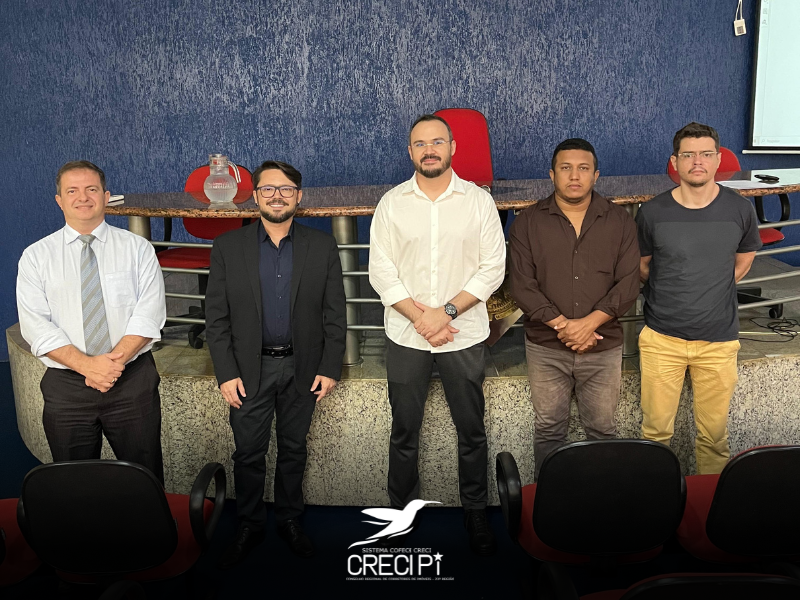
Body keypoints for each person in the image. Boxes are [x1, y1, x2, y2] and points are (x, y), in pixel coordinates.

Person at [368, 114, 506, 556]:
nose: (429, 150)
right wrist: (421, 319)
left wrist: (444, 313)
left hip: (462, 334)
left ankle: (475, 511)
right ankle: (400, 513)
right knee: (404, 430)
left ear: (452, 148)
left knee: (472, 430)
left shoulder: (478, 202)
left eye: (437, 142)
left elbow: (493, 268)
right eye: (420, 143)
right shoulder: (391, 203)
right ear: (410, 151)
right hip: (406, 335)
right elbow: (381, 271)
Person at [205, 160, 346, 568]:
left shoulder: (322, 246)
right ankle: (250, 523)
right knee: (248, 453)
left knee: (293, 449)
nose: (277, 196)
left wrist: (330, 366)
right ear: (255, 196)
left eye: (286, 189)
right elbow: (216, 318)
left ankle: (289, 519)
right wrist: (226, 372)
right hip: (249, 371)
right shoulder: (228, 248)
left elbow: (335, 314)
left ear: (298, 196)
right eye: (268, 189)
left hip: (304, 368)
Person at [17, 160, 166, 482]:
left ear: (106, 196)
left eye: (91, 189)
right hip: (67, 385)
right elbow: (35, 325)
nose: (83, 197)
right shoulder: (36, 257)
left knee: (144, 476)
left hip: (130, 380)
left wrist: (111, 365)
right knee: (74, 482)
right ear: (59, 200)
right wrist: (87, 366)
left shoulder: (138, 249)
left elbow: (149, 313)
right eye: (72, 191)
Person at [509, 139, 640, 480]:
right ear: (552, 174)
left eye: (583, 168)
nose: (574, 176)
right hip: (546, 347)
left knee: (603, 430)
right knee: (549, 430)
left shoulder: (619, 221)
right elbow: (521, 284)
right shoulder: (528, 222)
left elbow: (628, 283)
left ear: (596, 175)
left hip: (602, 346)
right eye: (565, 168)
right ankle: (550, 502)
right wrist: (565, 326)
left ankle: (602, 502)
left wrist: (588, 324)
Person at [636, 122, 761, 474]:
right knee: (654, 437)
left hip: (719, 342)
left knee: (714, 439)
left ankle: (709, 506)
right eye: (688, 155)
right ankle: (655, 502)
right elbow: (643, 266)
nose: (697, 162)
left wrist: (711, 282)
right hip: (662, 340)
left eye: (706, 154)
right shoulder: (652, 212)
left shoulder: (740, 209)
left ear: (718, 159)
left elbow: (744, 258)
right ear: (674, 161)